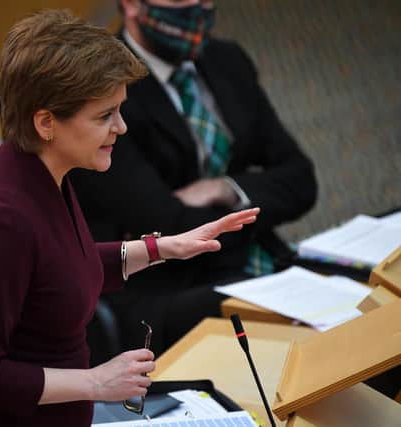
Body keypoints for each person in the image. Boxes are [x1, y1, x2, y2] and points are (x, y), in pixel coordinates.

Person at [0, 9, 260, 427]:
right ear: (46, 122)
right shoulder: (2, 220)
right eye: (105, 115)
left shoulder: (42, 171)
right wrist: (95, 383)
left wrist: (163, 248)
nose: (121, 127)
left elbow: (58, 270)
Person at [70, 0, 318, 356]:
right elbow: (170, 228)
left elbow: (302, 180)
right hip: (165, 290)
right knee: (292, 338)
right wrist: (257, 198)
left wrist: (226, 189)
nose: (200, 7)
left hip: (260, 257)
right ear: (131, 5)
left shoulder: (225, 59)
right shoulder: (102, 93)